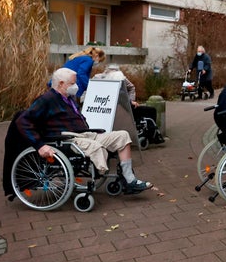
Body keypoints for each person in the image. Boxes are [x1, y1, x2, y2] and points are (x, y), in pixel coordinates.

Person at [17, 67, 152, 194]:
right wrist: (40, 146)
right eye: (72, 83)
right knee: (96, 147)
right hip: (67, 139)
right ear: (61, 83)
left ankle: (129, 179)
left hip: (85, 134)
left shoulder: (69, 99)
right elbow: (23, 121)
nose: (76, 86)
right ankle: (102, 169)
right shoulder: (47, 99)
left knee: (122, 135)